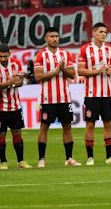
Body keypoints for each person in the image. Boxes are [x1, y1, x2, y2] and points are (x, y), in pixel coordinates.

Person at [34, 27, 81, 168]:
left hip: (64, 98)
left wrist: (63, 69)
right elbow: (38, 76)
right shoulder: (40, 55)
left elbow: (73, 74)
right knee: (44, 127)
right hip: (48, 99)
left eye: (56, 36)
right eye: (51, 36)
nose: (54, 39)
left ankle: (69, 158)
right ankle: (41, 159)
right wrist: (54, 72)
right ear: (46, 39)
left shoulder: (66, 54)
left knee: (67, 127)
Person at [78, 22, 111, 165]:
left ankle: (110, 157)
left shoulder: (109, 48)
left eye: (105, 32)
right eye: (101, 32)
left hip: (107, 93)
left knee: (108, 124)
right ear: (94, 33)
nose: (104, 34)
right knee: (90, 125)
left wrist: (110, 71)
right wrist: (97, 71)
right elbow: (81, 71)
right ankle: (90, 157)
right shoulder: (85, 49)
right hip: (91, 94)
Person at [0, 44, 32, 169]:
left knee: (17, 133)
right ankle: (3, 162)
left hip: (15, 106)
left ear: (9, 54)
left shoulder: (16, 63)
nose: (3, 59)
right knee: (1, 134)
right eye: (1, 56)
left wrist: (11, 83)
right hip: (0, 107)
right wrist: (11, 81)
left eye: (5, 56)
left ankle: (21, 161)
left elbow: (20, 82)